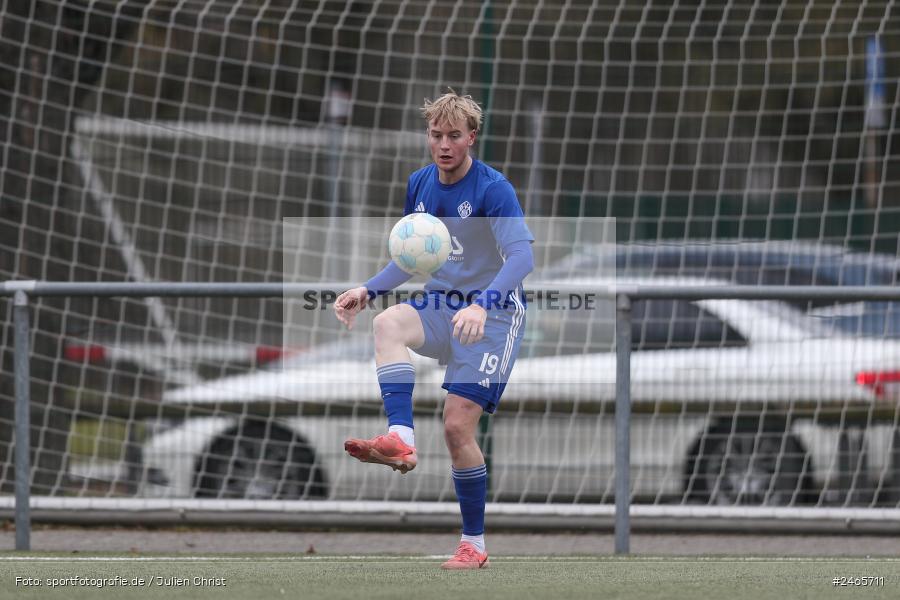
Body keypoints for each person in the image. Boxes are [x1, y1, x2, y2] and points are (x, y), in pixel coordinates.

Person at [333, 90, 534, 570]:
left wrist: (484, 306)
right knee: (387, 323)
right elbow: (413, 257)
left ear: (471, 138)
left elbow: (523, 257)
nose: (444, 144)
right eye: (436, 134)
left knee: (456, 427)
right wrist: (368, 289)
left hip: (495, 313)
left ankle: (474, 545)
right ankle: (400, 437)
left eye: (454, 136)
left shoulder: (493, 188)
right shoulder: (420, 184)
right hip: (445, 302)